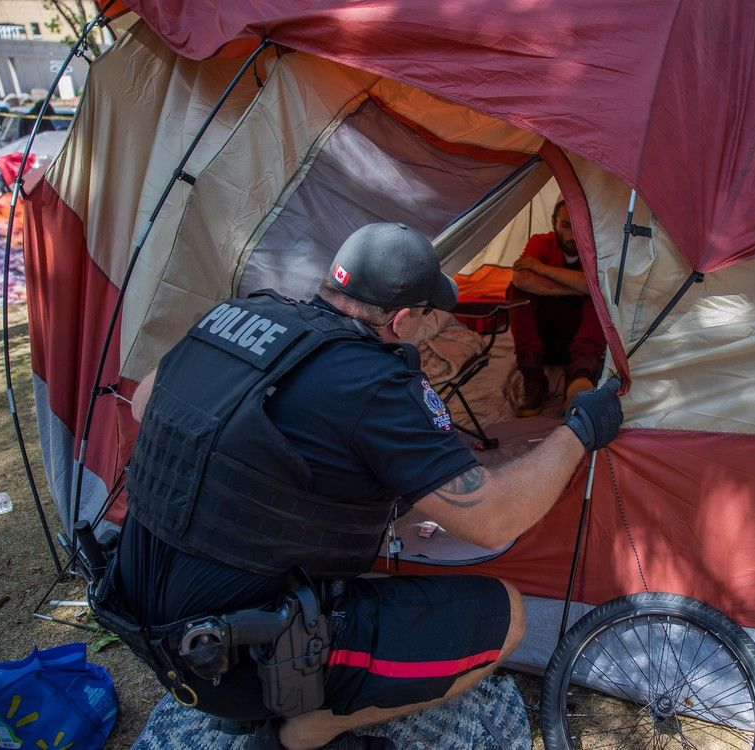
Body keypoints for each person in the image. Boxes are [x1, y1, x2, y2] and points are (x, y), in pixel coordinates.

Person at [99, 222, 623, 750]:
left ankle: (253, 695)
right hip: (225, 654)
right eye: (429, 315)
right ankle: (300, 733)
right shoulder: (374, 382)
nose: (433, 325)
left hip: (138, 612)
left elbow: (145, 403)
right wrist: (577, 432)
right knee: (506, 614)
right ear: (401, 320)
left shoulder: (239, 316)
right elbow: (492, 519)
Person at [507, 197, 606, 417]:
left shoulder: (597, 249)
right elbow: (521, 279)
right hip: (545, 341)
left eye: (579, 226)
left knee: (601, 299)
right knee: (516, 291)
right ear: (554, 224)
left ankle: (579, 379)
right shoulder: (541, 242)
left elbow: (604, 287)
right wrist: (583, 286)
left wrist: (542, 269)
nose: (573, 235)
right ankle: (533, 376)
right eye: (566, 226)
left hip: (580, 342)